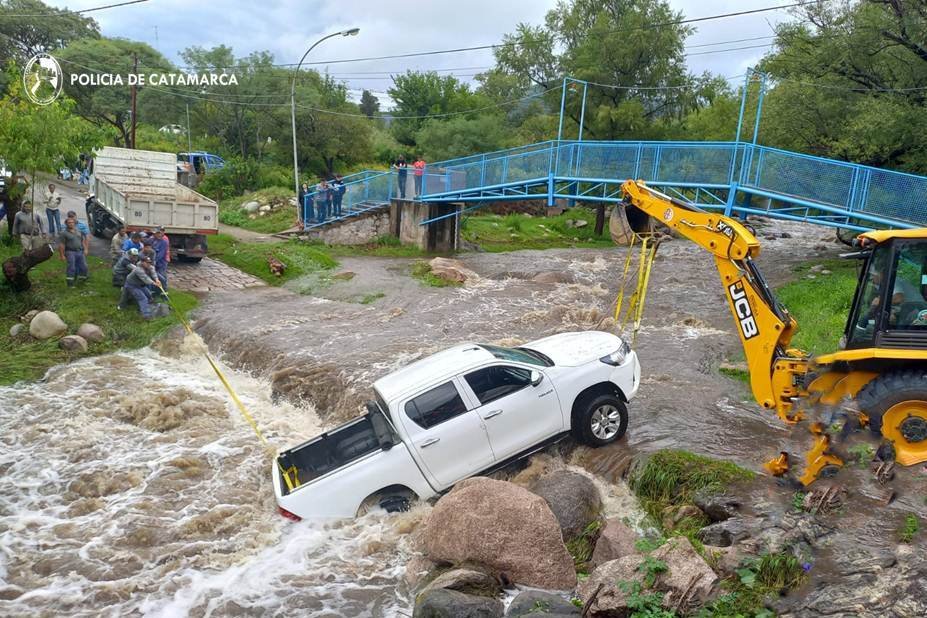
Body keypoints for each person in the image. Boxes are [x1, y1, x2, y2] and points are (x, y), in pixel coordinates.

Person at [58, 217, 89, 286]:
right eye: (69, 223)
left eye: (72, 222)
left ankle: (82, 280)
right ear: (66, 224)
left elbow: (82, 241)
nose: (71, 224)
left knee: (84, 266)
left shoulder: (78, 231)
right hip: (70, 252)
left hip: (80, 252)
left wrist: (86, 249)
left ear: (75, 223)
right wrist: (62, 255)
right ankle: (70, 283)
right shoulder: (63, 233)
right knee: (71, 267)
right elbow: (61, 245)